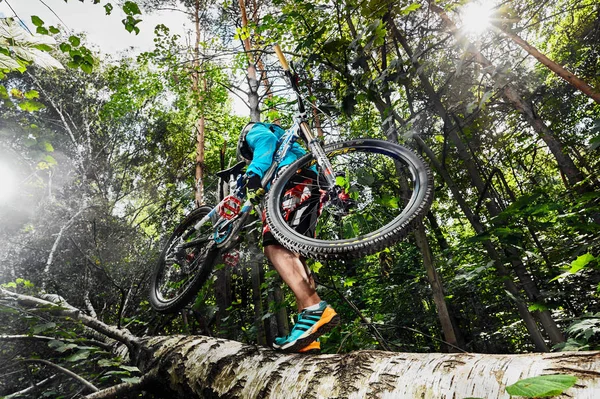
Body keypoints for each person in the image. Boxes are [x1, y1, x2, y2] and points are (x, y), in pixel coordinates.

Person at [237, 121, 340, 353]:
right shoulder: (291, 144)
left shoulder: (255, 131)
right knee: (295, 255)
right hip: (310, 182)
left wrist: (253, 173)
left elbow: (266, 142)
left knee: (274, 245)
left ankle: (315, 309)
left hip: (291, 181)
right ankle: (308, 334)